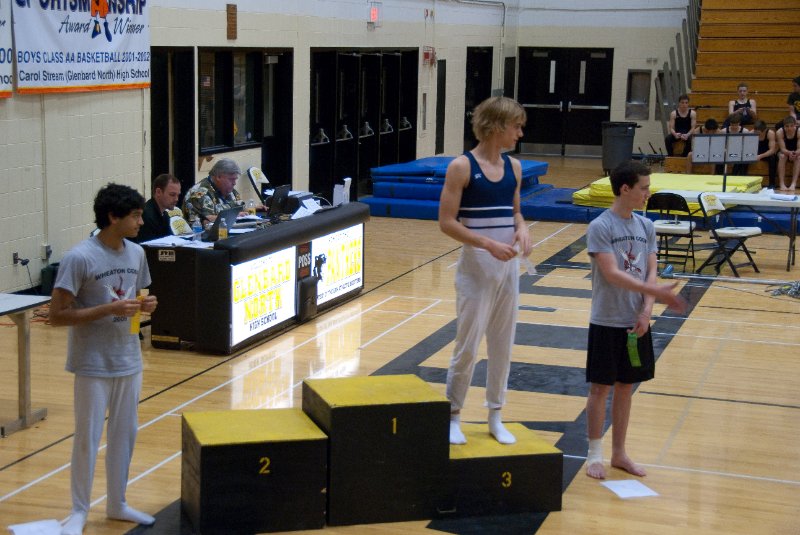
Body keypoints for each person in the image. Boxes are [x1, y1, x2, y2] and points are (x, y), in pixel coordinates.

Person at [49, 183, 158, 534]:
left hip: (128, 360)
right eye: (136, 215)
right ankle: (79, 509)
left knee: (125, 435)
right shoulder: (79, 257)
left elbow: (136, 305)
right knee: (88, 437)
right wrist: (108, 309)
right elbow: (56, 315)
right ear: (113, 217)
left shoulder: (136, 254)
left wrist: (145, 308)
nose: (141, 221)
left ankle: (117, 503)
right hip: (92, 363)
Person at [584, 161, 687, 480]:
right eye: (643, 187)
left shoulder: (646, 227)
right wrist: (655, 291)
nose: (648, 192)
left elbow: (651, 269)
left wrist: (646, 310)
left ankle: (619, 454)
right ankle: (594, 454)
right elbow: (612, 274)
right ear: (625, 189)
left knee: (626, 387)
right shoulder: (601, 227)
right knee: (600, 388)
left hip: (636, 322)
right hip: (606, 320)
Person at [438, 96, 532, 445]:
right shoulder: (462, 167)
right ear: (496, 126)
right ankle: (453, 414)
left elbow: (516, 213)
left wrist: (522, 228)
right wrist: (487, 244)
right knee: (467, 345)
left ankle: (496, 413)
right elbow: (446, 223)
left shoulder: (515, 169)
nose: (520, 133)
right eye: (516, 126)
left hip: (508, 270)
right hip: (476, 269)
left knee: (503, 344)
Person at [183, 158, 244, 225]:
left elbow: (240, 210)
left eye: (235, 179)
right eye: (231, 179)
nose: (234, 183)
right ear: (218, 177)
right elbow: (206, 220)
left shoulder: (229, 190)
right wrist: (233, 216)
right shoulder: (200, 193)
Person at [134, 173, 182, 243]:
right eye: (172, 195)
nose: (176, 199)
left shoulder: (165, 215)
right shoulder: (146, 215)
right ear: (158, 192)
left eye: (178, 195)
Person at [749, 120, 777, 187]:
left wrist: (760, 156)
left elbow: (772, 150)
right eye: (755, 131)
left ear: (764, 130)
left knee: (773, 158)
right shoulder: (751, 133)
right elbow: (748, 148)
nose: (757, 134)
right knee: (744, 157)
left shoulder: (770, 133)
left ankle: (772, 183)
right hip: (756, 152)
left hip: (767, 153)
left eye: (758, 133)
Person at [776, 115, 800, 191]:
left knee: (799, 158)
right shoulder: (780, 132)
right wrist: (789, 153)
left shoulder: (799, 131)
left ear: (795, 125)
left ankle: (793, 183)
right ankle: (782, 183)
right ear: (784, 126)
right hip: (785, 151)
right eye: (787, 126)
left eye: (791, 126)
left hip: (797, 151)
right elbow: (782, 149)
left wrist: (795, 153)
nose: (789, 128)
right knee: (782, 156)